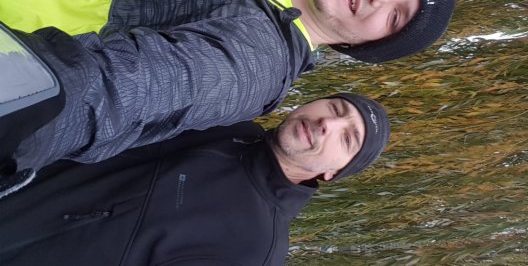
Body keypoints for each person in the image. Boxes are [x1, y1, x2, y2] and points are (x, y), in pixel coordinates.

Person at [0, 0, 454, 178]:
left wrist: (18, 111)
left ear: (366, 47)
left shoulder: (255, 64)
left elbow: (110, 95)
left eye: (394, 16)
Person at [0, 94, 390, 265]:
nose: (328, 124)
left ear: (332, 173)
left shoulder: (253, 247)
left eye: (347, 138)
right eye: (336, 108)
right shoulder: (229, 118)